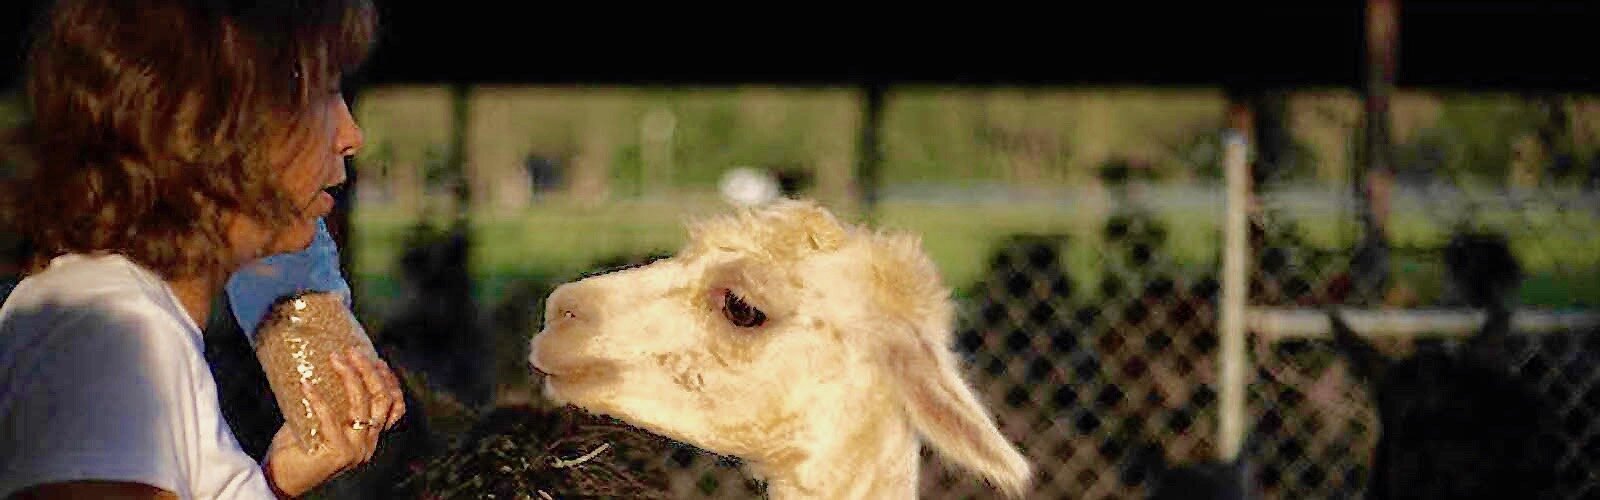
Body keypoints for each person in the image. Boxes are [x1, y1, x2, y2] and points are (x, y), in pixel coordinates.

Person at [0, 0, 406, 498]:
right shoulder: (113, 330)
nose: (351, 135)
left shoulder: (131, 317)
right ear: (220, 125)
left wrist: (273, 482)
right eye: (322, 94)